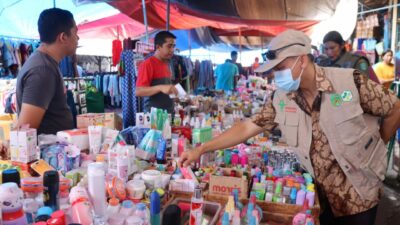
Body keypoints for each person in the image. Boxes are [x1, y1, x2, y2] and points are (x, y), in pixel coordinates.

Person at [180, 29, 400, 225]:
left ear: (302, 60)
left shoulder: (350, 82)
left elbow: (395, 108)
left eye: (281, 68)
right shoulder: (281, 98)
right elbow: (248, 127)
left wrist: (377, 145)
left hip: (359, 195)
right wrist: (202, 149)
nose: (277, 76)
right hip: (318, 199)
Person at [16, 8, 77, 135]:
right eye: (75, 32)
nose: (78, 38)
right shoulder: (42, 70)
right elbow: (24, 130)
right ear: (63, 37)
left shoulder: (46, 63)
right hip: (49, 152)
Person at [136, 31, 178, 113]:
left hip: (168, 114)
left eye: (173, 46)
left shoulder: (168, 63)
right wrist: (160, 87)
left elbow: (166, 89)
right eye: (169, 46)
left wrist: (175, 94)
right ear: (158, 47)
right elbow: (138, 91)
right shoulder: (148, 64)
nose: (172, 50)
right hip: (154, 117)